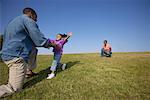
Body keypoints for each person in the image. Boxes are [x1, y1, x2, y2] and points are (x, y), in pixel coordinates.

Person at [0, 7, 57, 98]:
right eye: (35, 17)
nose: (36, 19)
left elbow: (33, 43)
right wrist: (53, 45)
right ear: (31, 14)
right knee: (14, 88)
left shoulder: (14, 21)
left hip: (8, 53)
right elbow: (39, 40)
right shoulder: (28, 20)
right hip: (15, 58)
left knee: (33, 49)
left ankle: (28, 72)